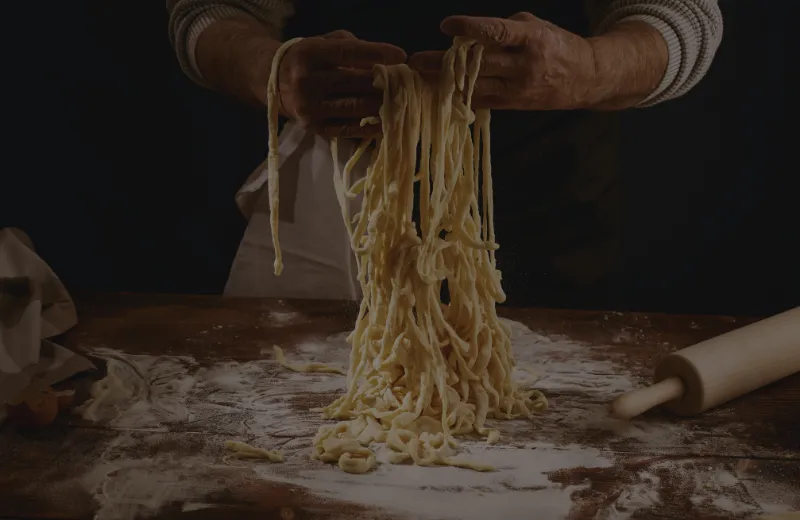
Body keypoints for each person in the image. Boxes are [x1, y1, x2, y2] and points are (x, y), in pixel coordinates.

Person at [166, 0, 723, 309]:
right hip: (331, 196)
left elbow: (684, 19)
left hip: (540, 202)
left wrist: (591, 69)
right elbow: (208, 11)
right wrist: (274, 71)